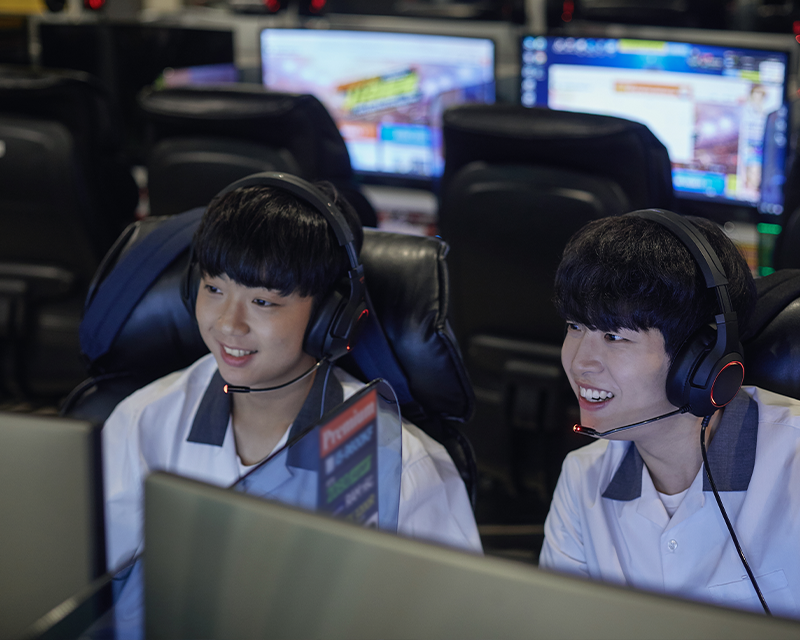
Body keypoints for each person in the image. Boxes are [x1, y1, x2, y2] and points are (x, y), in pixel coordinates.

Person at [102, 175, 482, 573]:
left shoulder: (396, 462)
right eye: (213, 289)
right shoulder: (143, 423)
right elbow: (103, 596)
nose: (229, 324)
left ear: (328, 316)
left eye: (263, 301)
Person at [539, 210, 800, 619]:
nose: (579, 362)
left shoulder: (794, 463)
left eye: (613, 336)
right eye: (575, 326)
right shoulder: (583, 478)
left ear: (700, 358)